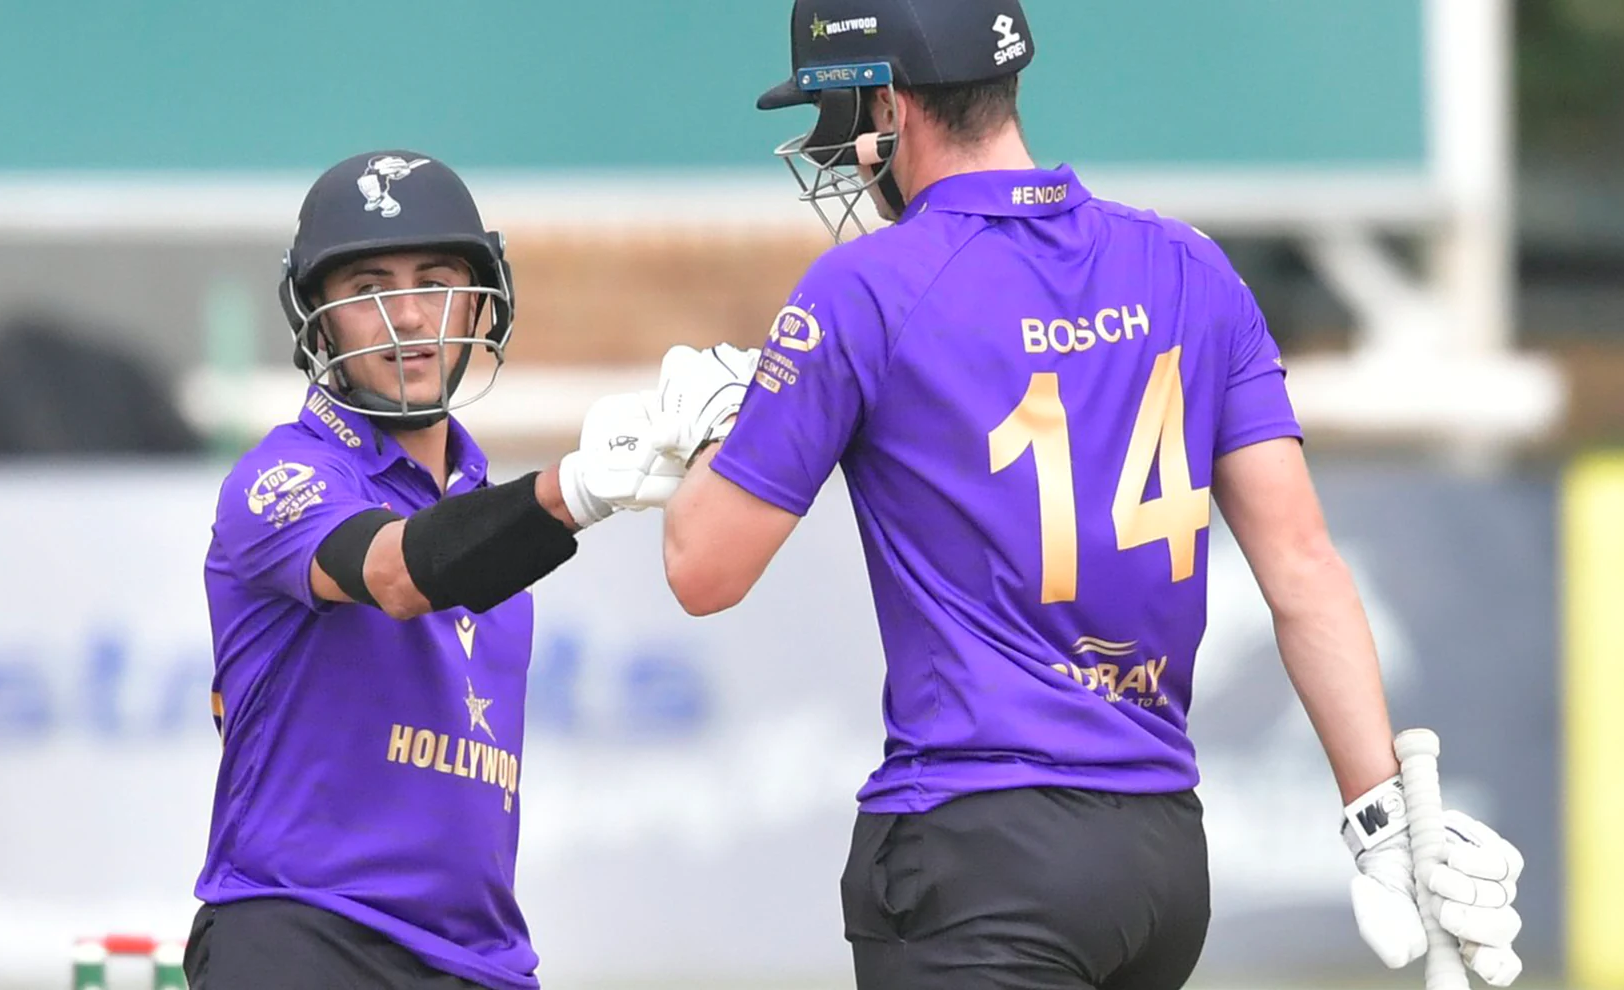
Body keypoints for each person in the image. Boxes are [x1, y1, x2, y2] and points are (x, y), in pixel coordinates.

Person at [649, 3, 1527, 989]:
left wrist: (713, 432)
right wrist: (1378, 815)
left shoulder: (862, 288)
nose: (843, 156)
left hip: (976, 852)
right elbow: (1300, 568)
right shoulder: (1187, 265)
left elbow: (701, 570)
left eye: (844, 118)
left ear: (891, 104)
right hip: (1156, 860)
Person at [186, 150, 678, 990]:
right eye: (368, 287)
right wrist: (578, 487)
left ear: (484, 303)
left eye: (437, 280)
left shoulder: (487, 511)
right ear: (317, 316)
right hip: (301, 936)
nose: (408, 315)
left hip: (479, 960)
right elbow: (397, 574)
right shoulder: (281, 476)